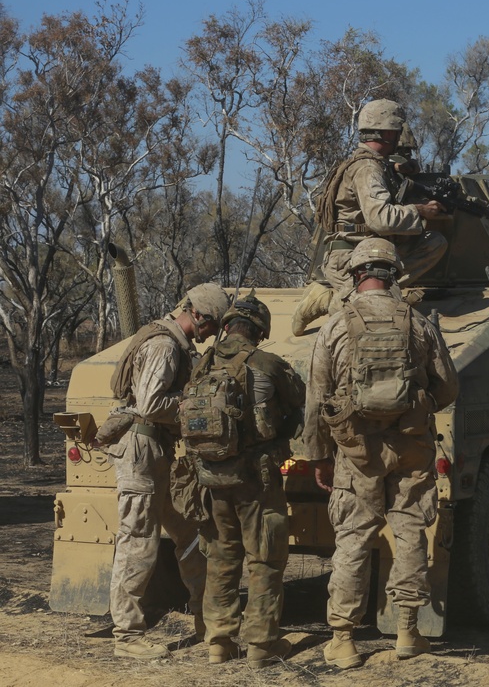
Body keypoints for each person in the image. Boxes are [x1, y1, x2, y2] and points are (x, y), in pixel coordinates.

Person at [303, 238, 459, 669]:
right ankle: (408, 631)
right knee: (410, 532)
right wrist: (417, 404)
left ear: (356, 275)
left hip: (356, 451)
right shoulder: (419, 323)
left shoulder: (336, 325)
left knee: (353, 539)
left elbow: (316, 398)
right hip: (411, 446)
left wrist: (317, 455)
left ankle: (343, 638)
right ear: (395, 274)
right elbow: (448, 388)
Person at [107, 282, 230, 659]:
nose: (212, 334)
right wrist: (196, 401)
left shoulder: (175, 343)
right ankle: (127, 635)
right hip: (141, 450)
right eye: (212, 326)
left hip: (158, 450)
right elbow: (151, 402)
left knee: (190, 532)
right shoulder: (163, 345)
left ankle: (207, 619)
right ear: (197, 316)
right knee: (138, 540)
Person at [194, 294, 306, 669]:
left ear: (225, 326)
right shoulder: (269, 364)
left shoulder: (201, 364)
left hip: (212, 477)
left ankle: (219, 643)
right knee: (265, 558)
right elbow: (298, 404)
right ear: (259, 331)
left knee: (222, 558)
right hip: (257, 480)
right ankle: (261, 645)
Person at [292, 99, 448, 336]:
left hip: (369, 250)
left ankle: (381, 288)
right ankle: (324, 299)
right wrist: (419, 211)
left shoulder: (371, 163)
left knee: (434, 243)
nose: (399, 136)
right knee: (367, 312)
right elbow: (379, 219)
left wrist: (398, 168)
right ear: (387, 132)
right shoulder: (367, 168)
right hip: (350, 256)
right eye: (397, 131)